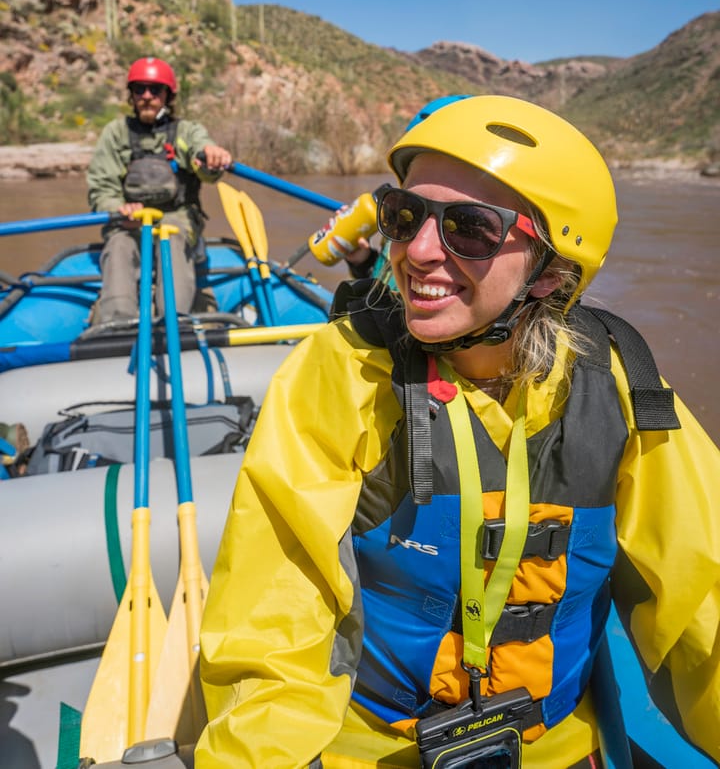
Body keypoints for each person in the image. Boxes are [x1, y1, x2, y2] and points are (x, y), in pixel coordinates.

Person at [196, 95, 720, 768]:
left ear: (552, 270)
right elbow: (272, 617)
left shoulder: (619, 386)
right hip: (370, 750)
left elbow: (703, 597)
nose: (416, 252)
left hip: (555, 750)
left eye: (469, 228)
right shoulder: (340, 370)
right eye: (403, 215)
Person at [87, 57, 232, 324]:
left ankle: (174, 319)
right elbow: (101, 188)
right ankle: (118, 324)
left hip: (175, 218)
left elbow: (201, 158)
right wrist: (117, 209)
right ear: (131, 95)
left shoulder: (186, 131)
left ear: (167, 96)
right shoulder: (115, 133)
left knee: (172, 237)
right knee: (118, 244)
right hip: (130, 220)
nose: (146, 96)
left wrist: (210, 157)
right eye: (139, 89)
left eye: (155, 90)